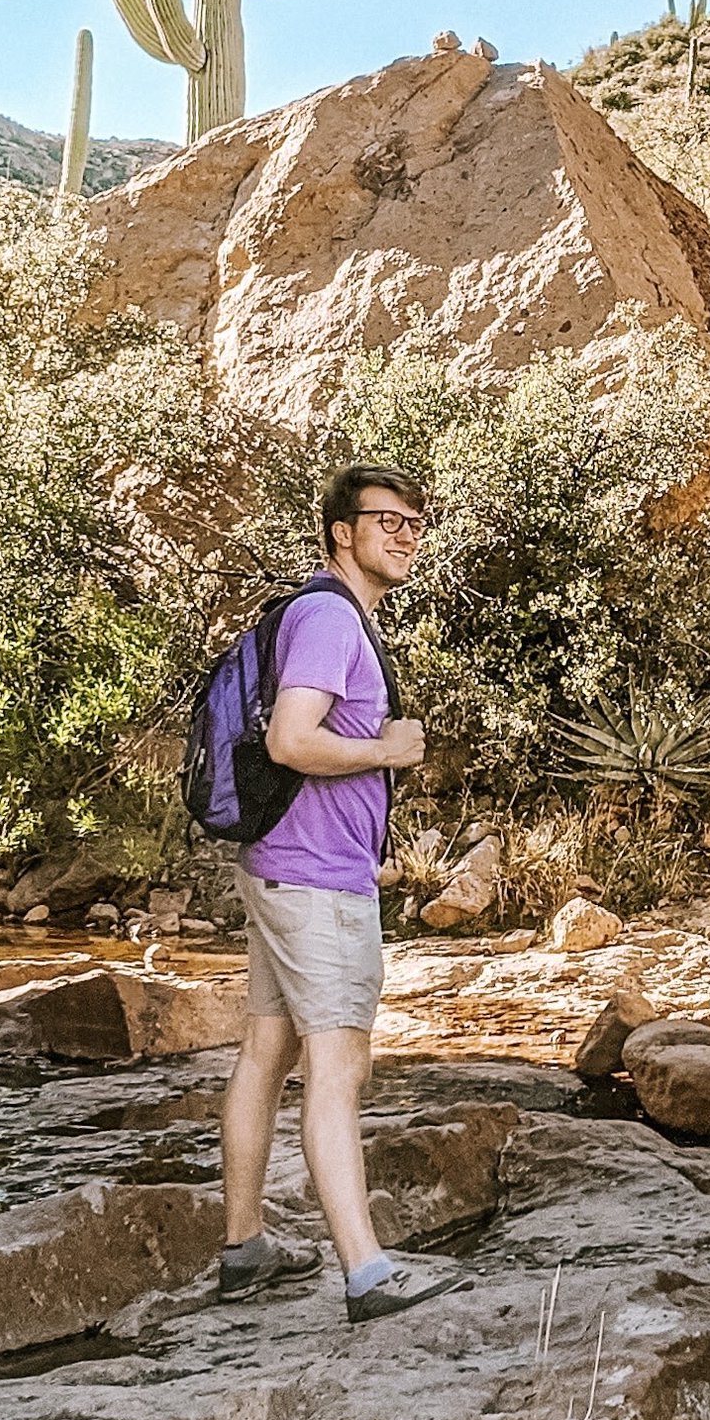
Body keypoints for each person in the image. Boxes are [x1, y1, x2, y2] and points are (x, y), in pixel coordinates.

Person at [217, 463, 469, 1322]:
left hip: (282, 867)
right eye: (385, 520)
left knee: (266, 1052)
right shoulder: (330, 615)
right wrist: (387, 752)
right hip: (317, 881)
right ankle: (368, 1273)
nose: (403, 534)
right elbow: (292, 740)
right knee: (339, 1066)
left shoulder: (325, 613)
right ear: (341, 532)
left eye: (414, 521)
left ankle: (246, 1248)